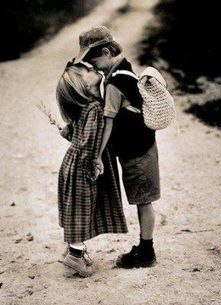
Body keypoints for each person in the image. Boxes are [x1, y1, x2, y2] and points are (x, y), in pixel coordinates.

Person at [74, 26, 160, 268]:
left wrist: (98, 156)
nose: (92, 65)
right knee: (143, 199)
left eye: (93, 58)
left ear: (106, 51)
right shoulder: (125, 68)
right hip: (144, 145)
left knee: (143, 200)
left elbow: (108, 123)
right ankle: (145, 246)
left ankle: (146, 251)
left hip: (137, 151)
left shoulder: (114, 83)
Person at [56, 62, 128, 277]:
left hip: (71, 161)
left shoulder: (84, 106)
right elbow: (88, 141)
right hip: (82, 164)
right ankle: (75, 258)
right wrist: (92, 165)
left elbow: (71, 134)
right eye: (87, 71)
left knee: (75, 206)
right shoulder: (95, 107)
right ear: (83, 86)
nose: (92, 69)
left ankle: (72, 250)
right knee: (81, 207)